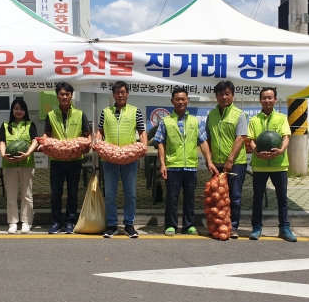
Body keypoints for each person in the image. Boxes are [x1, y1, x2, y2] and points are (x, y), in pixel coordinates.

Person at [153, 87, 219, 236]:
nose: (181, 102)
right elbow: (161, 143)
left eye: (183, 99)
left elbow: (203, 142)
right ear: (172, 101)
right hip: (173, 166)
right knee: (172, 198)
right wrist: (163, 164)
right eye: (177, 99)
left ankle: (189, 225)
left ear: (187, 100)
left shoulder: (195, 121)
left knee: (190, 198)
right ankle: (171, 225)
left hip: (190, 166)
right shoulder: (166, 122)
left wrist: (209, 161)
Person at [95, 81, 147, 239]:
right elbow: (100, 132)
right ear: (113, 94)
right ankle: (111, 225)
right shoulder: (106, 112)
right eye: (117, 92)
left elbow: (142, 132)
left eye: (123, 92)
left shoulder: (135, 111)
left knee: (130, 193)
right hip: (109, 160)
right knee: (110, 194)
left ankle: (129, 224)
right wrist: (97, 143)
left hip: (129, 160)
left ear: (128, 93)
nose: (120, 95)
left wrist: (143, 147)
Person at [41, 82, 91, 234]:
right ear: (57, 96)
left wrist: (86, 144)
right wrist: (44, 143)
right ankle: (56, 221)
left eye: (67, 94)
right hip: (56, 160)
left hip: (75, 160)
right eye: (61, 94)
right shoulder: (51, 115)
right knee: (55, 193)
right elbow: (47, 135)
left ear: (71, 96)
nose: (64, 97)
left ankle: (70, 221)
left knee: (73, 193)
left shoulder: (80, 114)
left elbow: (87, 135)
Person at [248, 87, 297, 242]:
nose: (267, 100)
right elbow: (251, 140)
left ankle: (284, 228)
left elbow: (286, 138)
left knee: (282, 199)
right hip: (259, 165)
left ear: (275, 99)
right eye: (264, 97)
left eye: (270, 97)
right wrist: (256, 152)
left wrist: (280, 150)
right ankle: (256, 228)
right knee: (257, 198)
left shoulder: (282, 118)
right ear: (260, 100)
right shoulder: (254, 120)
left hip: (279, 164)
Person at [206, 80, 247, 239]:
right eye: (221, 94)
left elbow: (241, 138)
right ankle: (218, 226)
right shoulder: (212, 115)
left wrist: (230, 160)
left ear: (233, 95)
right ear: (216, 96)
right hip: (216, 163)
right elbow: (208, 138)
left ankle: (233, 227)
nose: (224, 97)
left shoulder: (239, 114)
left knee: (234, 197)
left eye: (227, 94)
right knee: (217, 198)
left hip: (235, 163)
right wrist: (209, 160)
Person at [0, 98, 39, 234]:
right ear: (12, 110)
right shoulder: (5, 125)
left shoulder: (30, 125)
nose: (19, 111)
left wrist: (27, 153)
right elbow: (2, 142)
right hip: (8, 164)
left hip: (27, 163)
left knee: (27, 195)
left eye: (21, 109)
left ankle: (26, 221)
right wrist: (4, 154)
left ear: (25, 111)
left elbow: (35, 141)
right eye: (16, 108)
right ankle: (13, 222)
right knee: (11, 194)